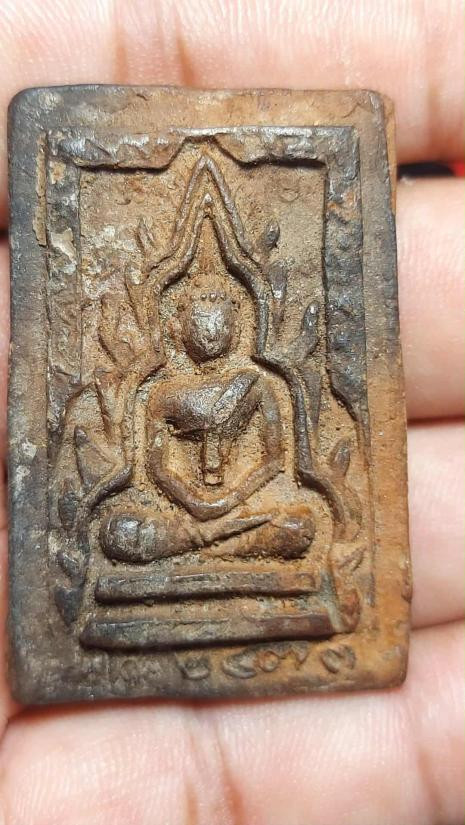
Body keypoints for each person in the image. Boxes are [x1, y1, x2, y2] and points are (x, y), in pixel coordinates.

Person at [0, 1, 463, 822]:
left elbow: (284, 468)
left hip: (250, 518)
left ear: (240, 316)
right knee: (119, 531)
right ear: (176, 319)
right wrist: (192, 512)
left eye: (222, 316)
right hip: (176, 521)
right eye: (196, 316)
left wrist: (229, 508)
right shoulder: (159, 390)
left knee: (299, 524)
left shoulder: (265, 385)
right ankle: (185, 571)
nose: (208, 329)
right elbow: (145, 470)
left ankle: (225, 572)